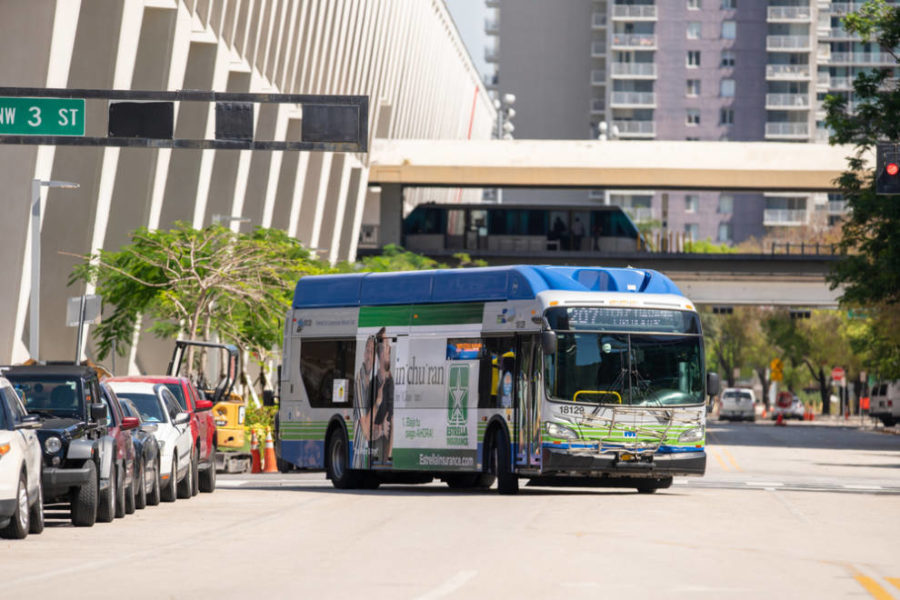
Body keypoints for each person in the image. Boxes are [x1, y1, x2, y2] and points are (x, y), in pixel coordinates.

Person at [351, 335, 376, 469]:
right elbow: (365, 428)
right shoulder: (360, 378)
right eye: (367, 350)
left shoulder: (372, 377)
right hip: (360, 446)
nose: (368, 355)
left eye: (372, 352)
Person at [372, 332, 394, 463]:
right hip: (378, 442)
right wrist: (380, 427)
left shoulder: (392, 382)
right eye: (386, 346)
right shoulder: (373, 384)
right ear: (380, 353)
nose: (389, 349)